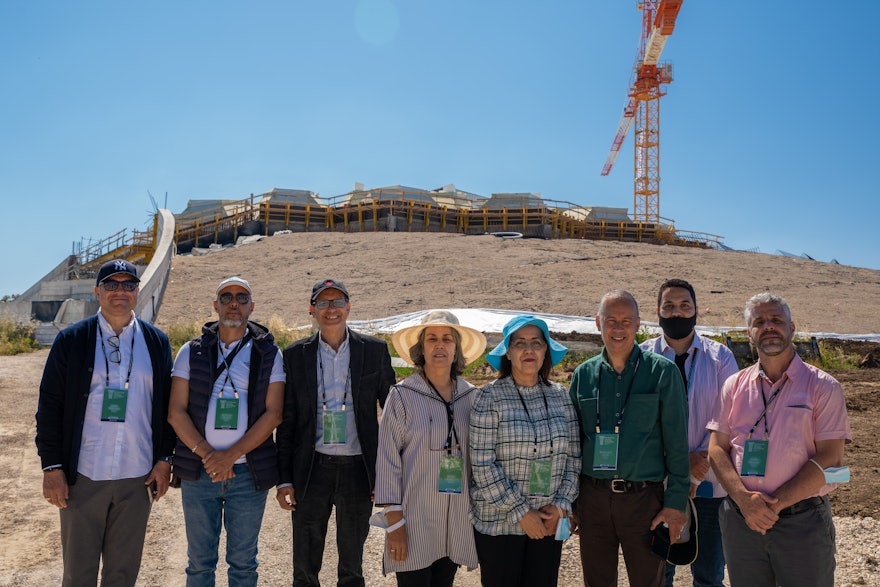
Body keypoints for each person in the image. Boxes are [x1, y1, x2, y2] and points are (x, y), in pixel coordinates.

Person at [35, 259, 174, 587]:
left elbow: (168, 407)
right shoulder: (72, 340)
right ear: (97, 291)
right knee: (78, 575)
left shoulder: (156, 343)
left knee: (123, 575)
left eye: (128, 285)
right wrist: (52, 467)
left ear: (138, 291)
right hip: (83, 476)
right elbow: (49, 406)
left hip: (136, 478)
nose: (120, 292)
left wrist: (164, 460)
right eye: (112, 284)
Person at [707, 292, 852, 586]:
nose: (768, 326)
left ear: (792, 328)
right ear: (749, 334)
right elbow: (716, 449)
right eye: (759, 321)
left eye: (776, 319)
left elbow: (832, 459)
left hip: (803, 523)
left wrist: (772, 507)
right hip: (741, 520)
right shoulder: (733, 385)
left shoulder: (823, 386)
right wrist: (745, 501)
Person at [276, 278, 396, 587]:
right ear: (312, 310)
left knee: (352, 563)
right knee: (304, 562)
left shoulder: (374, 351)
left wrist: (384, 476)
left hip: (358, 469)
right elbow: (287, 420)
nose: (332, 309)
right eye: (324, 303)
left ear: (349, 307)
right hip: (311, 468)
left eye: (338, 302)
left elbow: (394, 416)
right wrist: (284, 478)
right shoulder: (294, 355)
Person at [167, 276, 285, 586]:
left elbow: (274, 413)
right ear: (215, 305)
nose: (234, 302)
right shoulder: (190, 351)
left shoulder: (269, 354)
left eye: (242, 297)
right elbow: (175, 411)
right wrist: (210, 456)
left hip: (247, 475)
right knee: (199, 563)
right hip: (199, 471)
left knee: (243, 563)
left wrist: (230, 457)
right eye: (227, 296)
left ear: (252, 306)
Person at [569, 290, 690, 587]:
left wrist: (675, 505)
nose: (618, 328)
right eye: (611, 320)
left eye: (626, 321)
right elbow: (572, 444)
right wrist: (571, 502)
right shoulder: (583, 376)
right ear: (598, 323)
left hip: (644, 502)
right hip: (592, 499)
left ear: (638, 324)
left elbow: (677, 446)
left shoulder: (663, 373)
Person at [375, 310, 487, 586]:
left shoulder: (471, 397)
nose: (440, 345)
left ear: (456, 349)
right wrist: (395, 524)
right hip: (413, 523)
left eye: (447, 339)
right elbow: (388, 462)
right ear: (421, 348)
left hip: (454, 523)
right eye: (432, 339)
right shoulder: (402, 396)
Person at [639, 279, 739, 587]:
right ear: (657, 311)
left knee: (709, 575)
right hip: (658, 487)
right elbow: (639, 424)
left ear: (696, 310)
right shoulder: (641, 357)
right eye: (669, 306)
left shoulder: (720, 357)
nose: (677, 313)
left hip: (710, 486)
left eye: (685, 306)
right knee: (658, 573)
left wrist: (699, 465)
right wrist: (681, 467)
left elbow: (731, 418)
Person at [469, 315, 581, 587]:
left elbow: (574, 459)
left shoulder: (561, 396)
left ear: (546, 351)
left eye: (536, 343)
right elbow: (482, 464)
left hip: (547, 520)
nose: (529, 350)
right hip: (500, 524)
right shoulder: (489, 397)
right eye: (520, 343)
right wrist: (521, 513)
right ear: (508, 352)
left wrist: (561, 506)